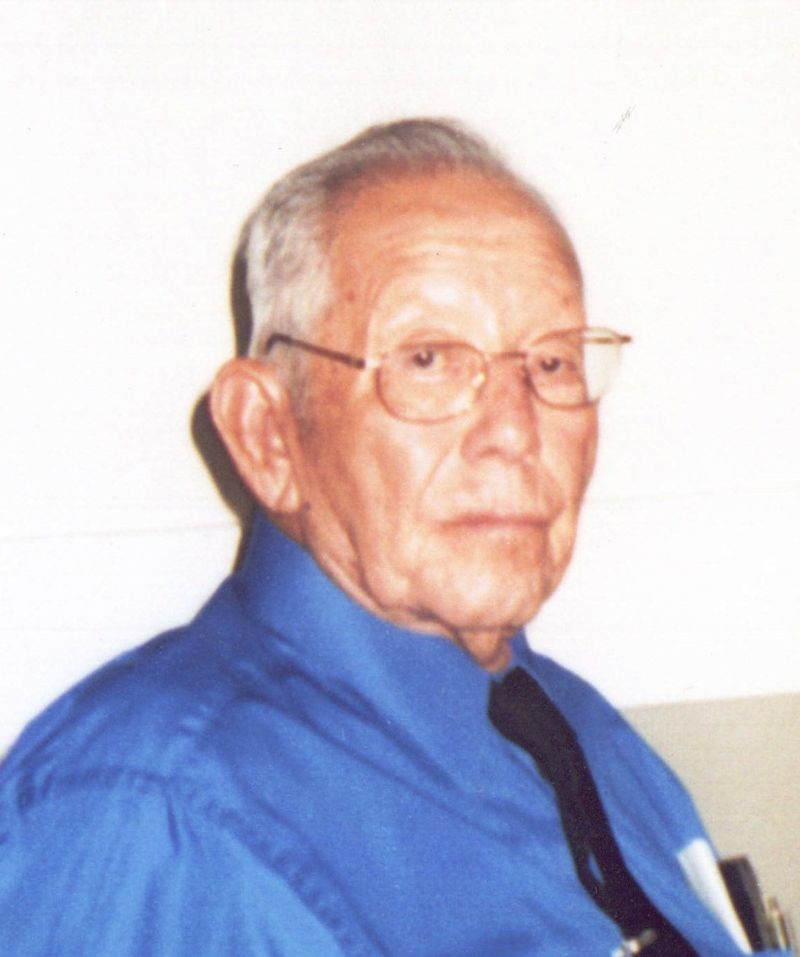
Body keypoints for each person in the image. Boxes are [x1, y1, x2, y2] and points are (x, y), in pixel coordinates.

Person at [0, 119, 771, 955]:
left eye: (551, 363)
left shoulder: (579, 731)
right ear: (267, 433)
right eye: (428, 359)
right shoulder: (155, 816)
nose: (516, 431)